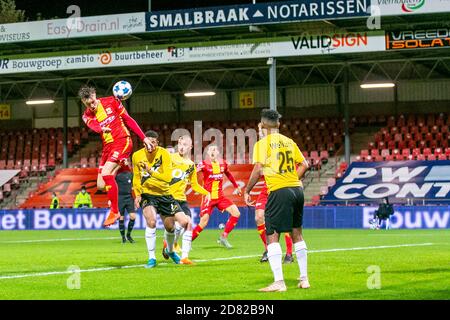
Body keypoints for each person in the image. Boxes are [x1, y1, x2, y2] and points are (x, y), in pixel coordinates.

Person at [245, 109, 310, 292]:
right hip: (297, 190)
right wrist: (294, 180)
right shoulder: (289, 141)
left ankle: (279, 282)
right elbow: (305, 164)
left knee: (272, 234)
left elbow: (258, 170)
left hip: (279, 191)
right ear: (279, 125)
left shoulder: (262, 144)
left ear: (262, 125)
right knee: (297, 233)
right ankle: (304, 279)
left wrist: (247, 190)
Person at [79, 85, 152, 227]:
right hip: (108, 147)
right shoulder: (86, 115)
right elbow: (93, 125)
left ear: (95, 95)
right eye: (88, 104)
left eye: (93, 101)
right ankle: (123, 166)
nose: (92, 105)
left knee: (107, 172)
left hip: (122, 141)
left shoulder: (112, 101)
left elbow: (129, 120)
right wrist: (101, 128)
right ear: (83, 102)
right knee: (101, 184)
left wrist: (144, 138)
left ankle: (114, 210)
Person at [132, 130, 190, 268]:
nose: (150, 145)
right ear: (144, 142)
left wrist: (151, 170)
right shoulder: (137, 155)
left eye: (153, 142)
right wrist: (138, 194)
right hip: (148, 194)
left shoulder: (164, 153)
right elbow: (136, 176)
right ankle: (151, 258)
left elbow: (168, 178)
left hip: (164, 194)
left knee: (171, 227)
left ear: (157, 143)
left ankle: (170, 251)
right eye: (148, 141)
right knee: (151, 222)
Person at [162, 135, 211, 265]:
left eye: (185, 145)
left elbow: (194, 185)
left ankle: (184, 257)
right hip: (169, 198)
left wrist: (207, 193)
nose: (182, 147)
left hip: (182, 199)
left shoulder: (190, 165)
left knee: (188, 223)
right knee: (177, 225)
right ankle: (169, 246)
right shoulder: (170, 158)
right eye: (180, 144)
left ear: (190, 147)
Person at [192, 144, 242, 249]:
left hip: (220, 197)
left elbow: (228, 174)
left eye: (214, 149)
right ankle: (187, 242)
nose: (212, 151)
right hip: (208, 197)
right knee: (203, 222)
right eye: (210, 150)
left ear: (218, 152)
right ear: (208, 153)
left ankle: (223, 237)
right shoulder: (204, 164)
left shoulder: (223, 163)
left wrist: (236, 186)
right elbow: (192, 172)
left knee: (236, 213)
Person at [253, 180, 294, 264]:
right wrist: (247, 190)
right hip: (267, 191)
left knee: (285, 220)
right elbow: (258, 170)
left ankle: (289, 253)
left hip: (282, 189)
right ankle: (268, 250)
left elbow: (301, 168)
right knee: (259, 217)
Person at [115, 164, 137, 244]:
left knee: (133, 216)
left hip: (129, 197)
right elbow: (111, 185)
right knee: (121, 218)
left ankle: (128, 235)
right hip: (120, 197)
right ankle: (123, 238)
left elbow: (135, 184)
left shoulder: (130, 174)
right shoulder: (117, 174)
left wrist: (136, 198)